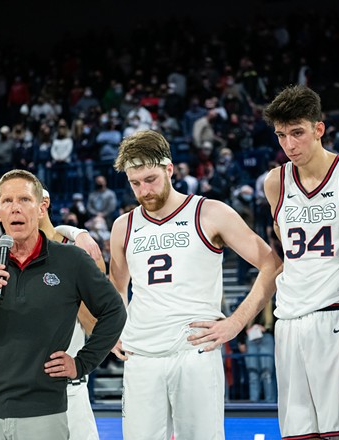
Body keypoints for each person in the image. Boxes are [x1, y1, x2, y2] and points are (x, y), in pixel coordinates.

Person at [109, 129, 281, 440]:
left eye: (150, 179)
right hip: (141, 355)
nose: (144, 190)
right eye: (135, 183)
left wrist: (235, 323)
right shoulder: (123, 226)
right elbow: (116, 286)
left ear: (169, 169)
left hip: (194, 349)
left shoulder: (210, 212)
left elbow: (271, 265)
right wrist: (116, 329)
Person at [0, 169, 126, 440]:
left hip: (45, 411)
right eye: (7, 201)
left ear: (41, 208)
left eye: (25, 200)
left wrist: (82, 363)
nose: (15, 208)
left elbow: (114, 311)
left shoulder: (72, 260)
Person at [262, 85, 339, 439]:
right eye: (281, 135)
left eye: (297, 132)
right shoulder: (275, 183)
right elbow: (288, 253)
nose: (289, 145)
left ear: (319, 128)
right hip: (288, 324)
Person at [39, 189, 101, 440]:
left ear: (43, 204)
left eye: (24, 200)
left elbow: (96, 325)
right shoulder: (4, 255)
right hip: (21, 388)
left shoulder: (80, 250)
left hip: (69, 388)